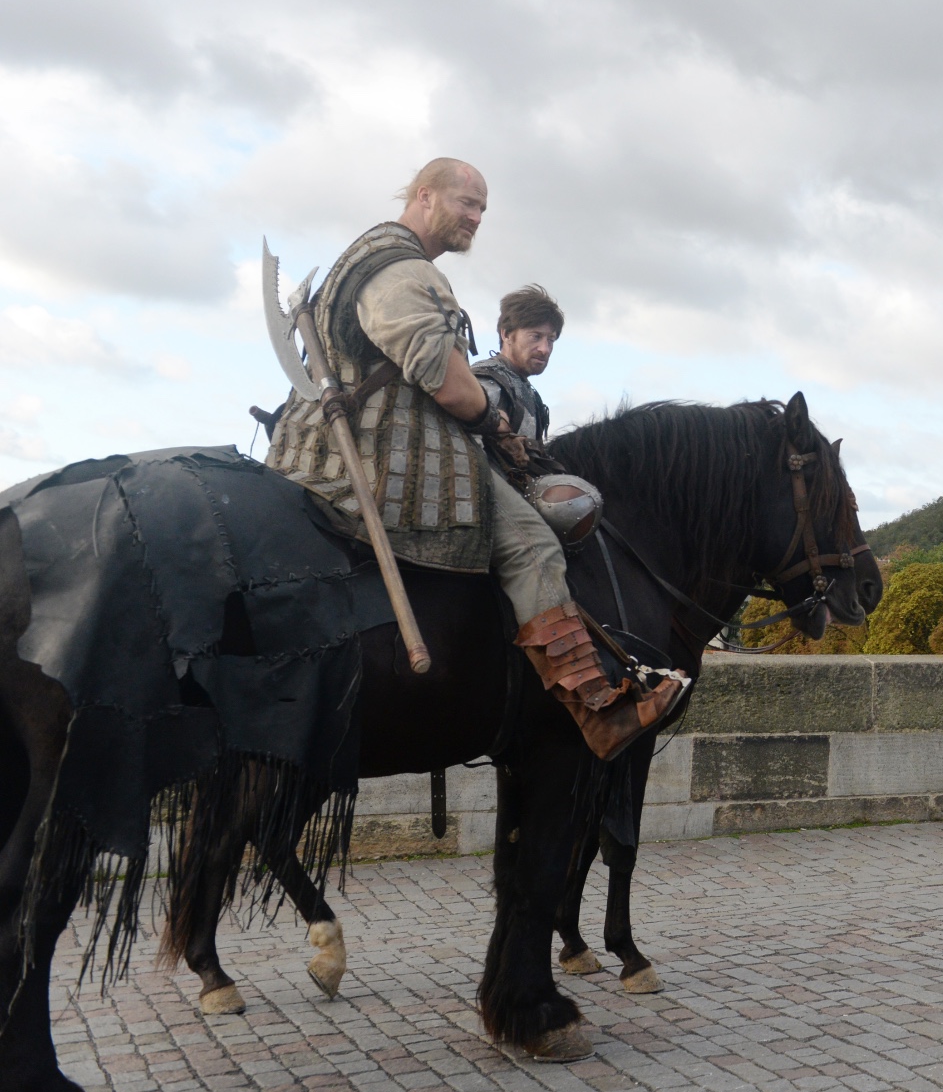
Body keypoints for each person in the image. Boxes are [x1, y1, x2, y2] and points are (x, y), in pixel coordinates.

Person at [265, 158, 681, 760]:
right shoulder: (401, 271)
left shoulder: (367, 262)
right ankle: (598, 710)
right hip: (395, 453)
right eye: (467, 203)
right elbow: (453, 388)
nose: (476, 218)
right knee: (533, 544)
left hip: (356, 439)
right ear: (425, 196)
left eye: (482, 209)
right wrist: (493, 418)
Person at [473, 285, 561, 448]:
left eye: (551, 340)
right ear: (506, 334)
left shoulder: (526, 389)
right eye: (535, 336)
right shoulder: (488, 380)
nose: (545, 349)